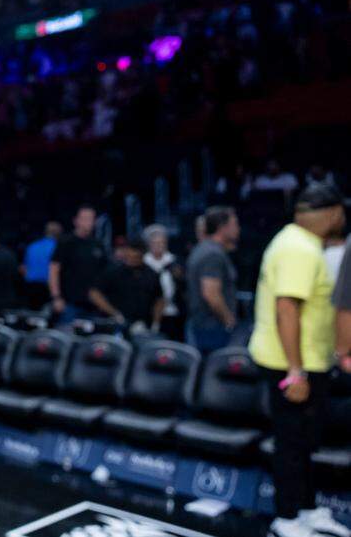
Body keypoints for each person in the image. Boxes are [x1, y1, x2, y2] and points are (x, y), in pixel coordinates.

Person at [247, 184, 348, 537]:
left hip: (302, 362)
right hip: (290, 364)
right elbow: (286, 310)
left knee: (303, 443)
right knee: (291, 444)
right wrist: (296, 371)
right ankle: (287, 518)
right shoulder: (298, 249)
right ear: (334, 213)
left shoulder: (295, 240)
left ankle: (307, 509)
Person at [185, 206, 240, 353]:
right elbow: (210, 294)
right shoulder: (212, 254)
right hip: (212, 328)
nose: (238, 229)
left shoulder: (204, 249)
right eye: (234, 224)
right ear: (222, 228)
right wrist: (229, 320)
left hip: (205, 326)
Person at [49, 204, 107, 326]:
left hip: (93, 305)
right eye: (84, 218)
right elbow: (54, 270)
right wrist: (56, 297)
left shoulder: (98, 245)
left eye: (91, 219)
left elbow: (104, 273)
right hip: (69, 303)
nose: (88, 222)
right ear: (76, 221)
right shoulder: (65, 242)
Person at [89, 236, 164, 328]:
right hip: (116, 323)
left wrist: (156, 322)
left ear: (142, 255)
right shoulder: (113, 272)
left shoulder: (151, 274)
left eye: (136, 256)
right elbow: (94, 294)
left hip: (142, 325)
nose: (131, 258)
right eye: (129, 254)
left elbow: (159, 299)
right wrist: (114, 313)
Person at [143, 224, 184, 340]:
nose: (159, 245)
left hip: (173, 313)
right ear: (149, 244)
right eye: (155, 243)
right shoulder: (143, 263)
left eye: (162, 242)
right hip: (149, 313)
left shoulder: (175, 261)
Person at [22, 221, 61, 309]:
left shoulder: (32, 246)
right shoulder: (58, 247)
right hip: (47, 289)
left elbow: (24, 268)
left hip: (30, 288)